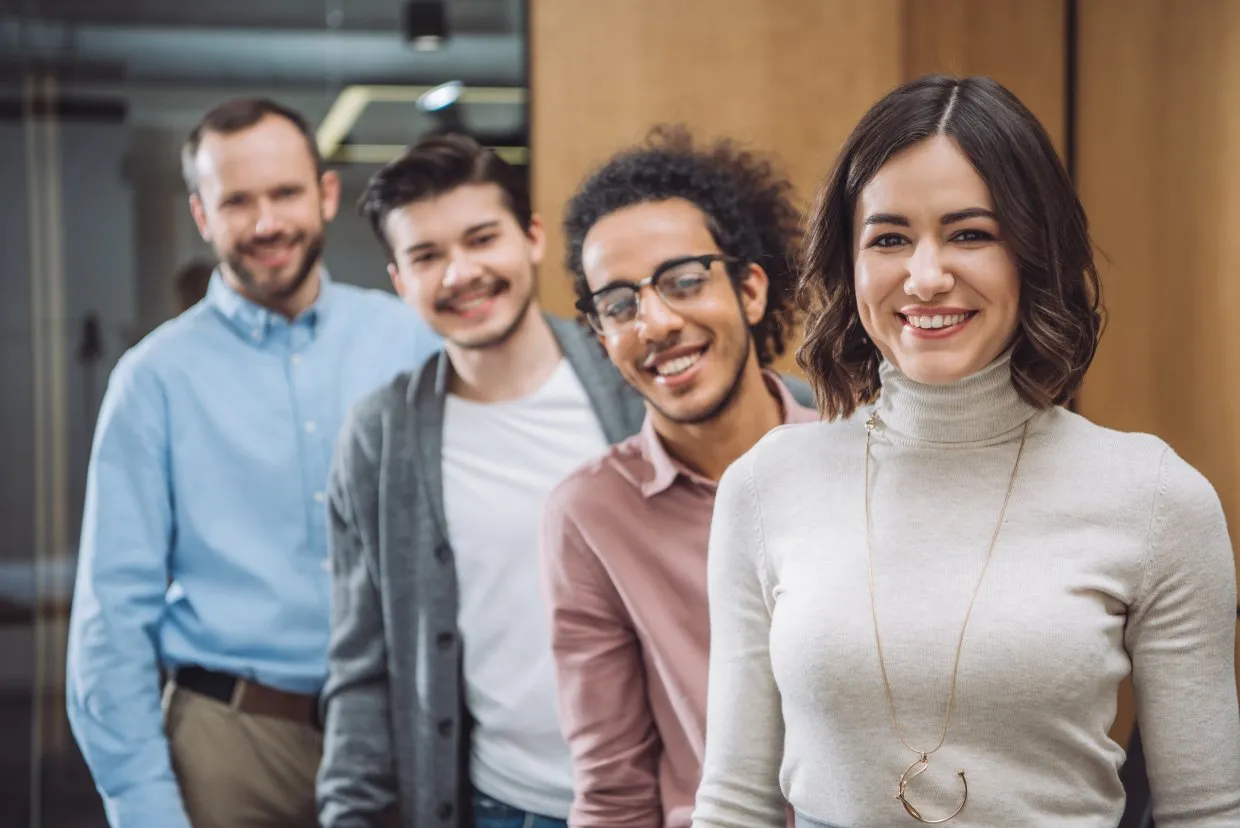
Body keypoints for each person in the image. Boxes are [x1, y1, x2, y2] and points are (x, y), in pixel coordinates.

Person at [693, 75, 1240, 828]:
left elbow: (1207, 812)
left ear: (1032, 251)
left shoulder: (1154, 498)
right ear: (848, 265)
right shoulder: (765, 486)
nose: (925, 276)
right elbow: (734, 803)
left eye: (970, 233)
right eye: (888, 238)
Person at [65, 97, 440, 828]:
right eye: (237, 201)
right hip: (229, 745)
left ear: (326, 196)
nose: (267, 222)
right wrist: (143, 807)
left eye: (285, 193)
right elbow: (111, 619)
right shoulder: (153, 381)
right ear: (203, 216)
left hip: (399, 734)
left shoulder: (411, 343)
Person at [317, 133, 645, 828]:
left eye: (481, 239)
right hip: (502, 804)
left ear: (530, 238)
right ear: (399, 280)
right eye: (427, 256)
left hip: (661, 796)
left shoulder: (636, 380)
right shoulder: (380, 437)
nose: (460, 273)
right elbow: (363, 667)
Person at [539, 127, 817, 828]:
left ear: (750, 289)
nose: (655, 322)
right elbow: (612, 786)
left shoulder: (860, 460)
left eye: (683, 281)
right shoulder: (590, 515)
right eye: (620, 304)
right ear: (602, 337)